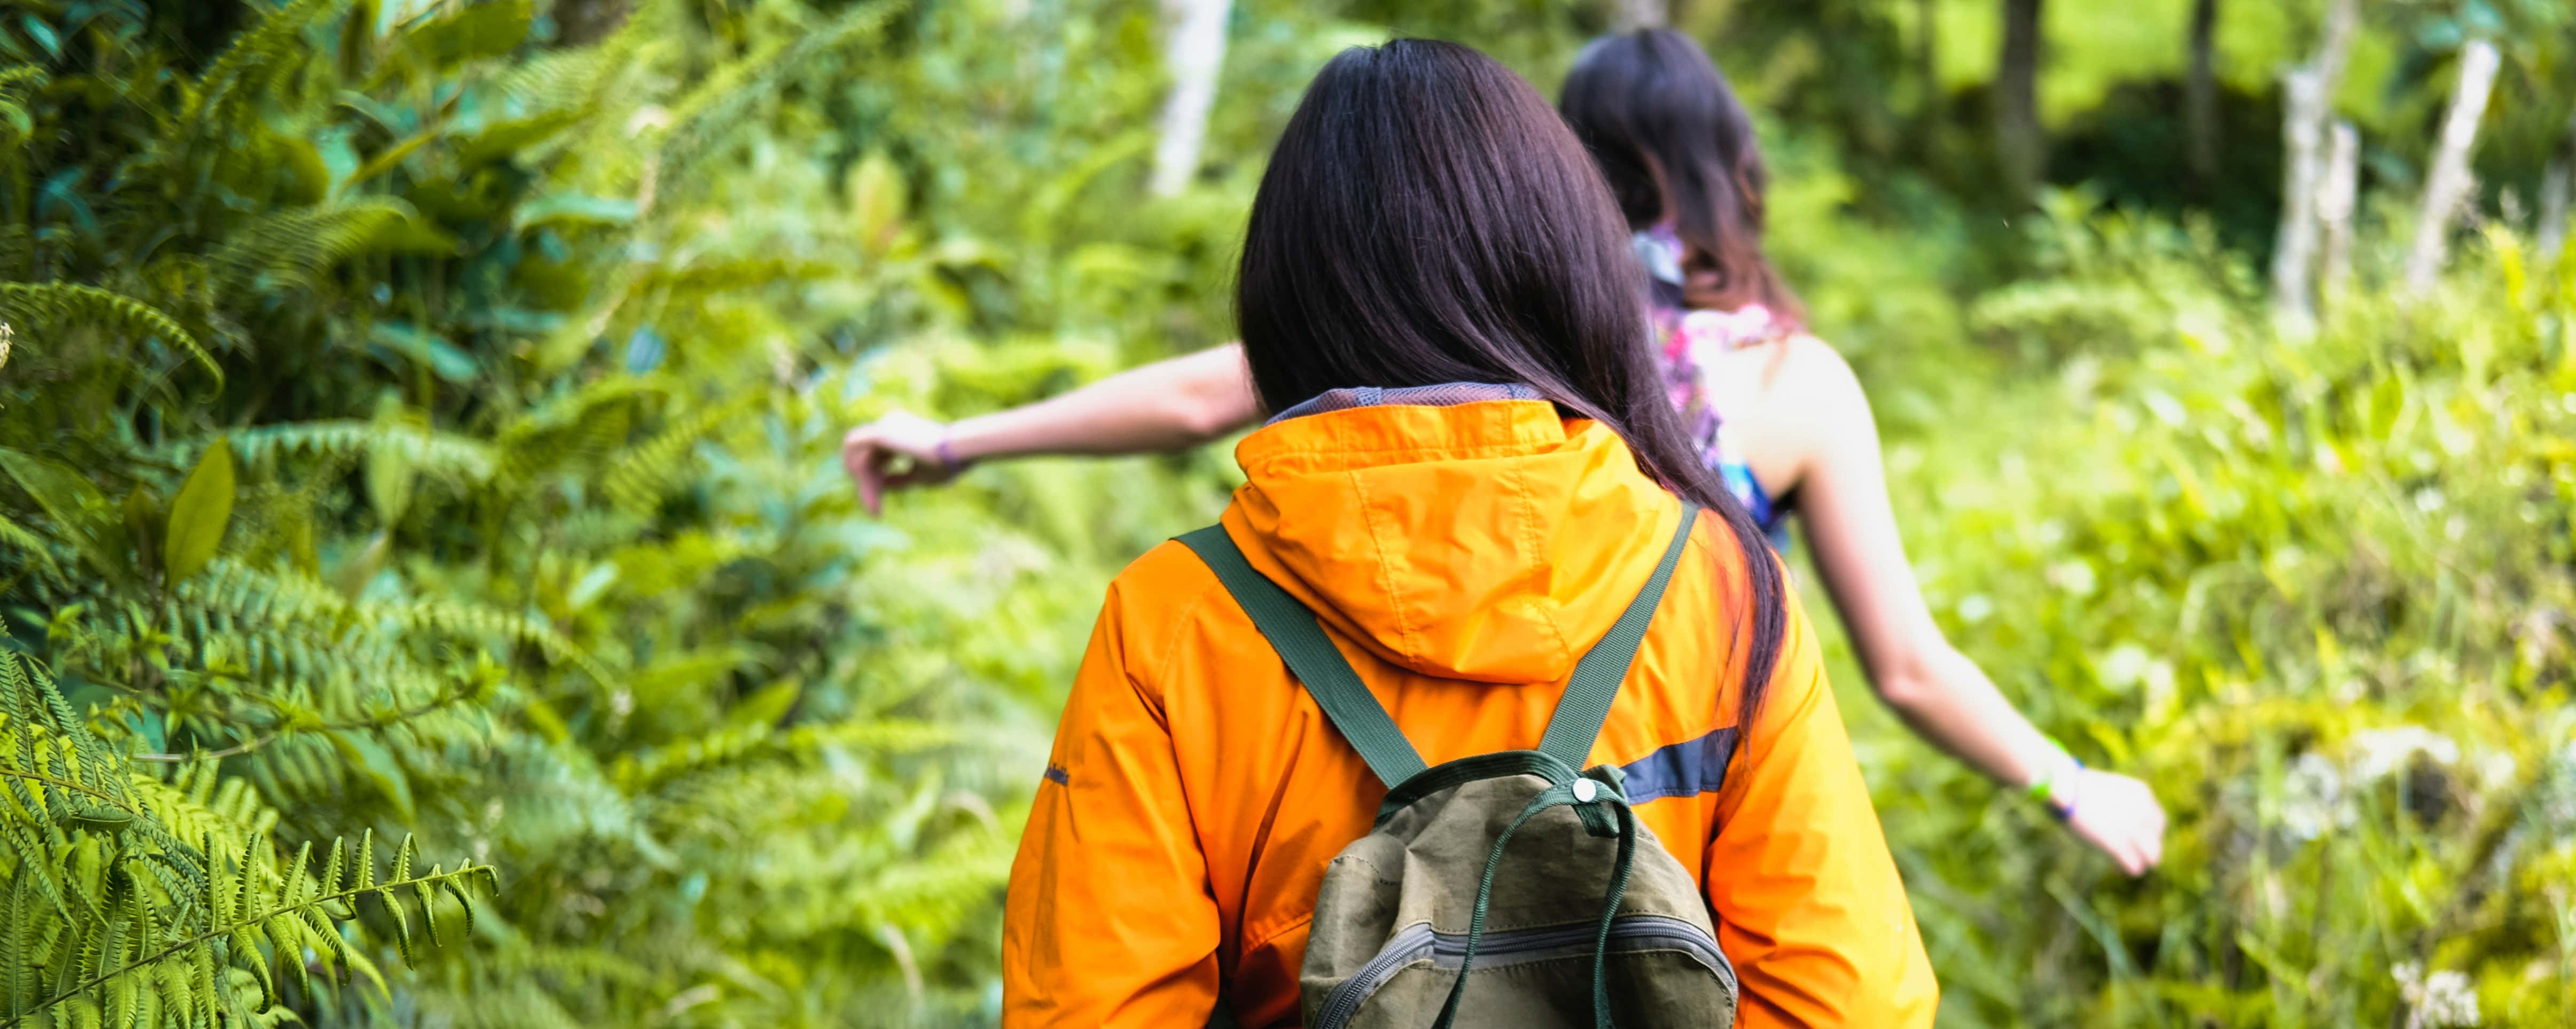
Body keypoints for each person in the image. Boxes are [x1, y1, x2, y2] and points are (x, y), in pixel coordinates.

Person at [846, 28, 2167, 878]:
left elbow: (1203, 395)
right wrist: (2070, 785)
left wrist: (958, 442)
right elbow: (1908, 667)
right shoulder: (1789, 380)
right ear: (1735, 170)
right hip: (1675, 840)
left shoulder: (1453, 319)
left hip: (1394, 843)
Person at [990, 39, 1937, 1027]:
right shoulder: (1721, 588)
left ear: (1286, 294)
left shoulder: (1175, 625)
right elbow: (1850, 1002)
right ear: (1567, 267)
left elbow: (1090, 1008)